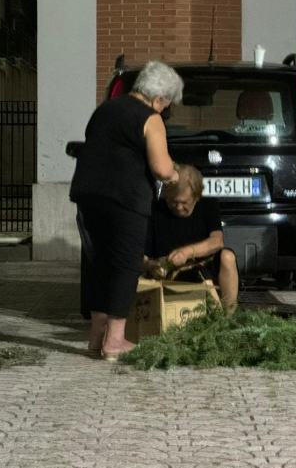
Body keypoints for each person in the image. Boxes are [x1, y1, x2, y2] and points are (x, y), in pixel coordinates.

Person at [70, 61, 183, 361]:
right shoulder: (150, 118)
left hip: (88, 193)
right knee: (126, 264)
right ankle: (115, 341)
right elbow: (160, 167)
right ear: (160, 98)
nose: (166, 110)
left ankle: (95, 339)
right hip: (125, 198)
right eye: (168, 104)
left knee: (98, 263)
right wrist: (175, 176)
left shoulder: (105, 109)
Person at [144, 164, 239, 312]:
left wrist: (187, 253)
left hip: (204, 273)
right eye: (173, 202)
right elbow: (142, 255)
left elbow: (217, 241)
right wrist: (152, 265)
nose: (179, 207)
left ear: (196, 197)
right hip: (167, 277)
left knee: (227, 257)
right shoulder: (155, 210)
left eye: (184, 203)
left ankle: (228, 317)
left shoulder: (208, 205)